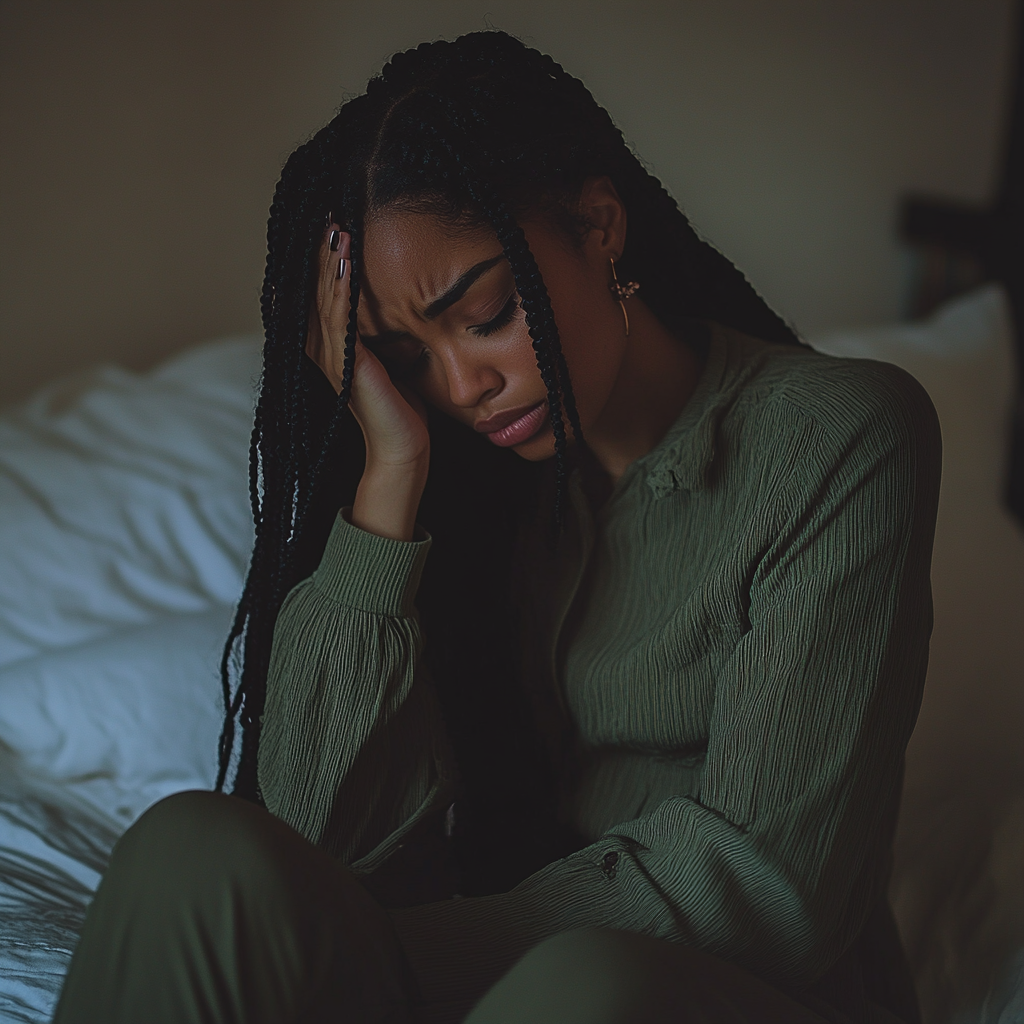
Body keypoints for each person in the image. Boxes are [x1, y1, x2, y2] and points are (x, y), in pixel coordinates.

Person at [52, 30, 940, 1024]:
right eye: (405, 354)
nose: (462, 385)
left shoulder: (837, 437)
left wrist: (376, 959)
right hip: (469, 985)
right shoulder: (467, 482)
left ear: (600, 226)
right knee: (193, 847)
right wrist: (389, 473)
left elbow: (770, 887)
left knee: (581, 989)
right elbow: (317, 842)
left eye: (484, 314)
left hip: (698, 995)